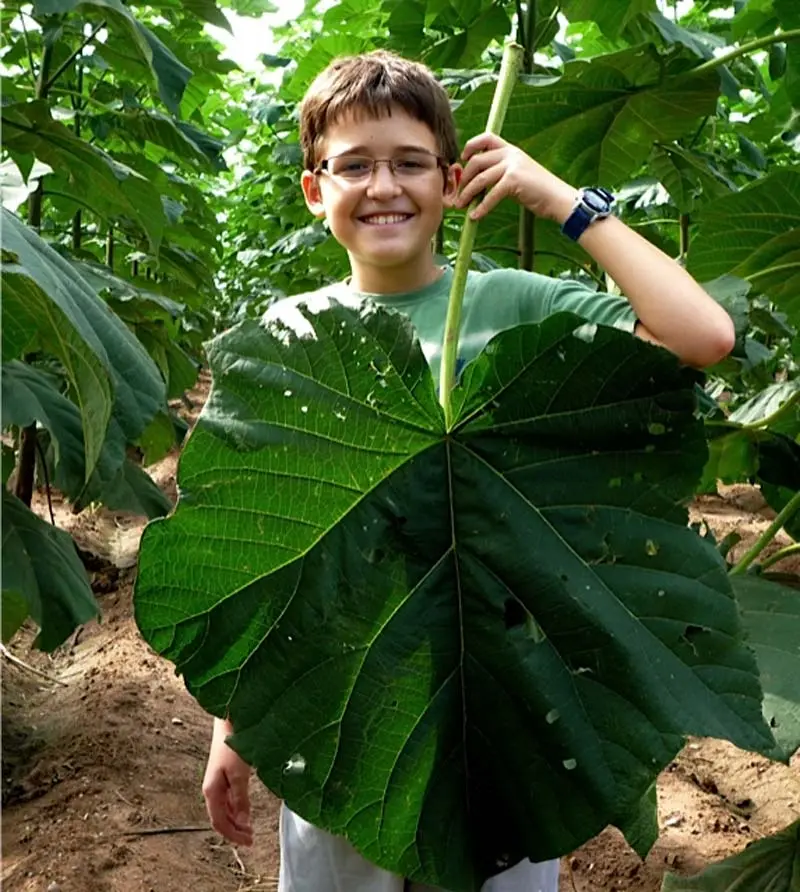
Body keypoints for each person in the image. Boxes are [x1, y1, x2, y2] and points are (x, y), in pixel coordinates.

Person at [201, 50, 735, 892]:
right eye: (355, 166)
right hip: (348, 698)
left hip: (514, 702)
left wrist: (558, 199)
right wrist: (233, 725)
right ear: (315, 191)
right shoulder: (293, 335)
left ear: (453, 181)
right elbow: (259, 551)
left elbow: (701, 335)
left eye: (411, 163)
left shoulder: (516, 305)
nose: (384, 187)